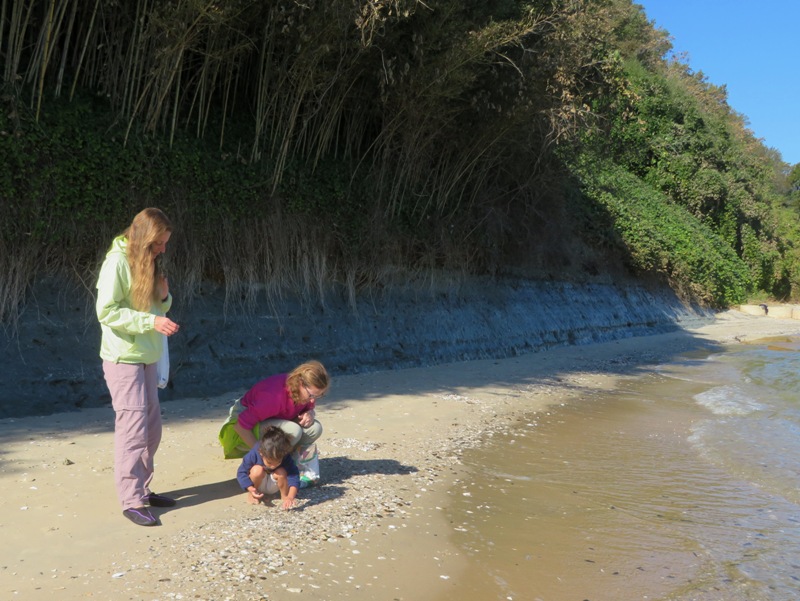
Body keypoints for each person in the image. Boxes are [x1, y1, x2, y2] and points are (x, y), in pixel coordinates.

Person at [96, 207, 181, 527]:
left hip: (147, 356)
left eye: (164, 243)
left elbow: (155, 305)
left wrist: (165, 297)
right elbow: (106, 312)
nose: (162, 249)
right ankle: (130, 500)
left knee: (152, 429)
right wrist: (153, 320)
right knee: (132, 431)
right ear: (144, 237)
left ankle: (142, 490)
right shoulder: (116, 262)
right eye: (159, 243)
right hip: (123, 359)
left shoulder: (146, 262)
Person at [218, 360, 329, 459]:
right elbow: (240, 426)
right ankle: (273, 462)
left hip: (272, 420)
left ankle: (293, 463)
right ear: (300, 383)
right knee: (293, 431)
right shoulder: (273, 397)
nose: (312, 400)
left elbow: (308, 407)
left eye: (319, 395)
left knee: (315, 428)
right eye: (311, 395)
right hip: (239, 429)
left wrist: (310, 413)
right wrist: (260, 453)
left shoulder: (303, 394)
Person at [237, 426, 300, 509]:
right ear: (261, 453)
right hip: (257, 484)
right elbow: (241, 472)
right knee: (257, 470)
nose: (273, 466)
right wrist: (250, 488)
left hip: (275, 483)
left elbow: (294, 475)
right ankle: (253, 495)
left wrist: (291, 496)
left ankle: (284, 496)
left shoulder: (285, 456)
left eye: (278, 462)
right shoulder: (254, 454)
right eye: (269, 462)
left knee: (281, 471)